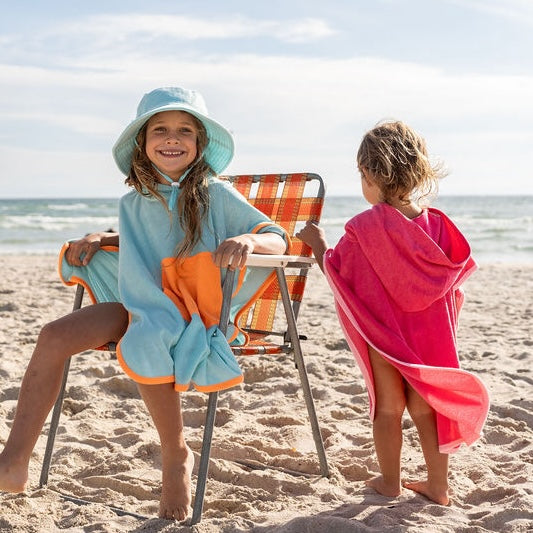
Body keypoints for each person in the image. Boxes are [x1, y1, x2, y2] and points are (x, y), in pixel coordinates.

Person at [0, 86, 288, 521]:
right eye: (160, 129)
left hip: (196, 310)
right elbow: (150, 243)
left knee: (149, 335)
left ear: (199, 143)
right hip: (141, 301)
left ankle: (175, 454)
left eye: (184, 131)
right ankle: (13, 463)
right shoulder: (132, 203)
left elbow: (276, 236)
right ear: (142, 142)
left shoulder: (217, 194)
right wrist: (103, 238)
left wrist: (249, 238)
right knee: (54, 335)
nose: (172, 138)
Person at [297, 120, 489, 506]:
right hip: (428, 336)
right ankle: (438, 486)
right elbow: (448, 282)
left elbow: (341, 275)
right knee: (424, 408)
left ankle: (390, 481)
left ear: (368, 174)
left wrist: (318, 245)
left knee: (387, 409)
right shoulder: (437, 225)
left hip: (385, 333)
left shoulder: (365, 226)